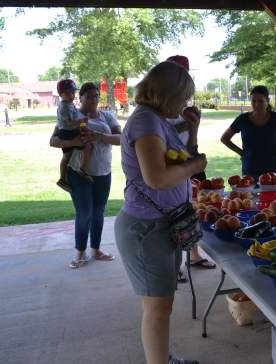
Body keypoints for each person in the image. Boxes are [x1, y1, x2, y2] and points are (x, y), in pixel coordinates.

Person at [114, 61, 206, 364]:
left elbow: (180, 158)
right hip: (146, 230)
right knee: (157, 310)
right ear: (167, 95)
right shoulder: (146, 123)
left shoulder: (159, 121)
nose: (185, 104)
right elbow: (156, 177)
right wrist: (196, 167)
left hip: (161, 225)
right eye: (184, 97)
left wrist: (192, 131)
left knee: (161, 307)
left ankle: (163, 360)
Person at [50, 82, 121, 269]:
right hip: (78, 172)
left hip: (103, 172)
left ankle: (96, 250)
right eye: (89, 95)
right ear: (79, 98)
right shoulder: (73, 115)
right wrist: (74, 140)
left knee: (99, 212)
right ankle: (80, 252)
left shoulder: (108, 115)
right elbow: (53, 140)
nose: (93, 99)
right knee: (85, 213)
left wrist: (99, 136)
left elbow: (122, 139)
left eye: (96, 95)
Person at [166, 55, 216, 283]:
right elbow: (162, 138)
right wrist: (187, 123)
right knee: (171, 215)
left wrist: (193, 125)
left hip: (188, 160)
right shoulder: (163, 108)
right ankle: (174, 263)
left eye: (184, 74)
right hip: (171, 166)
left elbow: (190, 144)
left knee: (193, 209)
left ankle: (194, 255)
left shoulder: (185, 106)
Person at [220, 85, 276, 181]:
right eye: (253, 101)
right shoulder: (243, 119)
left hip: (272, 169)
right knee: (250, 195)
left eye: (261, 101)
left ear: (268, 101)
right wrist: (241, 153)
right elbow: (224, 138)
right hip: (250, 169)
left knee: (272, 196)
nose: (257, 104)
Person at [55, 79, 92, 193]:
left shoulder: (69, 104)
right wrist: (81, 121)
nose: (71, 95)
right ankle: (81, 169)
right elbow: (69, 122)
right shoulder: (64, 107)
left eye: (72, 92)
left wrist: (81, 122)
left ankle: (64, 178)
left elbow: (75, 119)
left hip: (69, 131)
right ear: (60, 94)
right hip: (67, 132)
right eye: (67, 93)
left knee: (68, 156)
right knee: (86, 145)